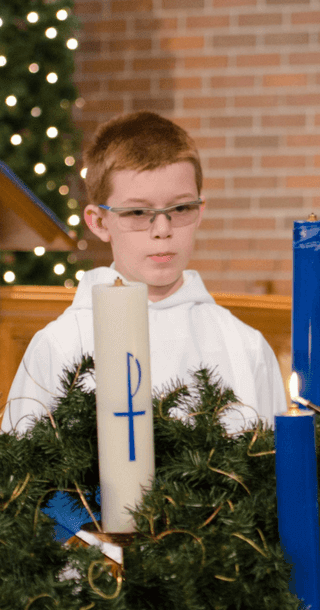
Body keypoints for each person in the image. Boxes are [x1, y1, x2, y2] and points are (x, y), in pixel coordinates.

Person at [2, 111, 286, 436]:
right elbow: (21, 476)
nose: (162, 230)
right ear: (98, 222)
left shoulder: (246, 348)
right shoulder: (60, 346)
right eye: (138, 212)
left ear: (200, 210)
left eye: (180, 209)